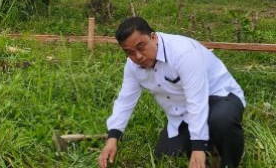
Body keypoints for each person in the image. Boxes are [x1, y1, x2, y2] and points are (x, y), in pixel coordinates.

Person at [98, 17, 245, 168]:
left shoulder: (183, 53)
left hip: (220, 96)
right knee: (165, 154)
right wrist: (113, 137)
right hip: (184, 110)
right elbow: (125, 100)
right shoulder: (133, 65)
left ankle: (228, 159)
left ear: (153, 37)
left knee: (221, 121)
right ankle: (210, 140)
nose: (138, 56)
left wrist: (198, 146)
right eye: (130, 52)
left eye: (141, 46)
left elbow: (197, 99)